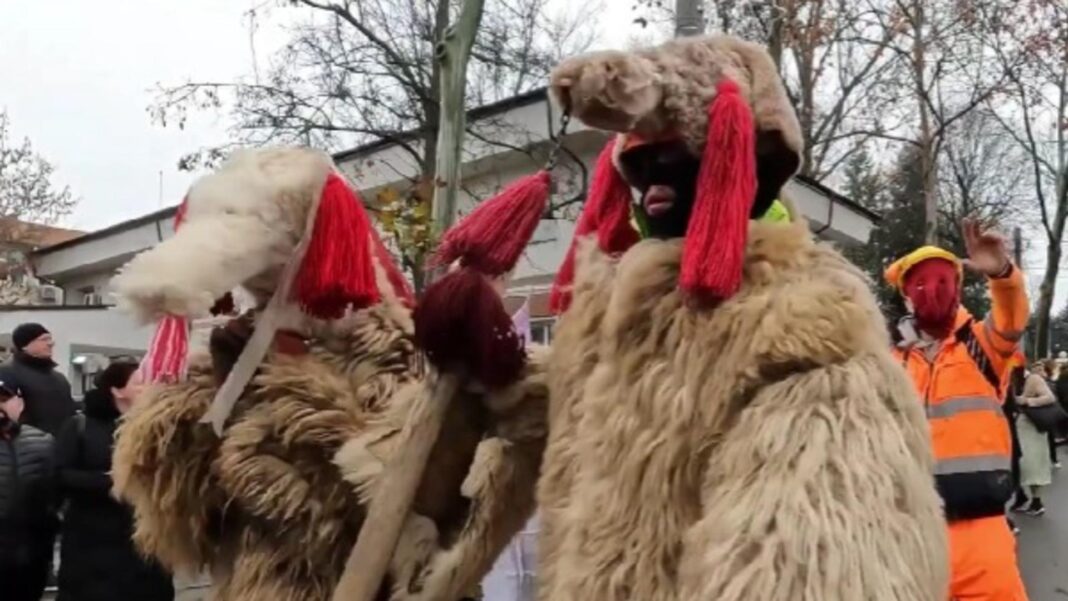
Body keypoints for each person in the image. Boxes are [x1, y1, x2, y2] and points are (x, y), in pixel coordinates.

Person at [887, 226, 1030, 601]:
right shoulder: (888, 360)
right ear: (906, 296)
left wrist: (1002, 275)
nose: (932, 291)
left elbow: (1012, 319)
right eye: (920, 284)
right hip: (908, 534)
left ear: (959, 289)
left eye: (943, 281)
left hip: (982, 533)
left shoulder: (982, 344)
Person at [54, 360, 174, 601]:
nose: (148, 388)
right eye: (139, 383)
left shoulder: (159, 429)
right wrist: (112, 482)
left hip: (145, 538)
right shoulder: (81, 426)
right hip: (92, 540)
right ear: (117, 391)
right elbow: (60, 475)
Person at [0, 379, 58, 601]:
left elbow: (53, 498)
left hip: (29, 559)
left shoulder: (43, 442)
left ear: (20, 404)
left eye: (4, 399)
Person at [0, 323, 75, 436]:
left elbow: (70, 413)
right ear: (25, 345)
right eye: (44, 339)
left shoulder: (59, 378)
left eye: (50, 339)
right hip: (27, 443)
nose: (51, 343)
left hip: (62, 443)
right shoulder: (7, 373)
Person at [1013, 361, 1056, 516]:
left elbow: (1050, 397)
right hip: (1019, 427)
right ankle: (1022, 497)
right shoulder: (1011, 380)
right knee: (1019, 464)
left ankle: (1036, 501)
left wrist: (1027, 401)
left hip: (1032, 427)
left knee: (1032, 466)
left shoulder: (1033, 379)